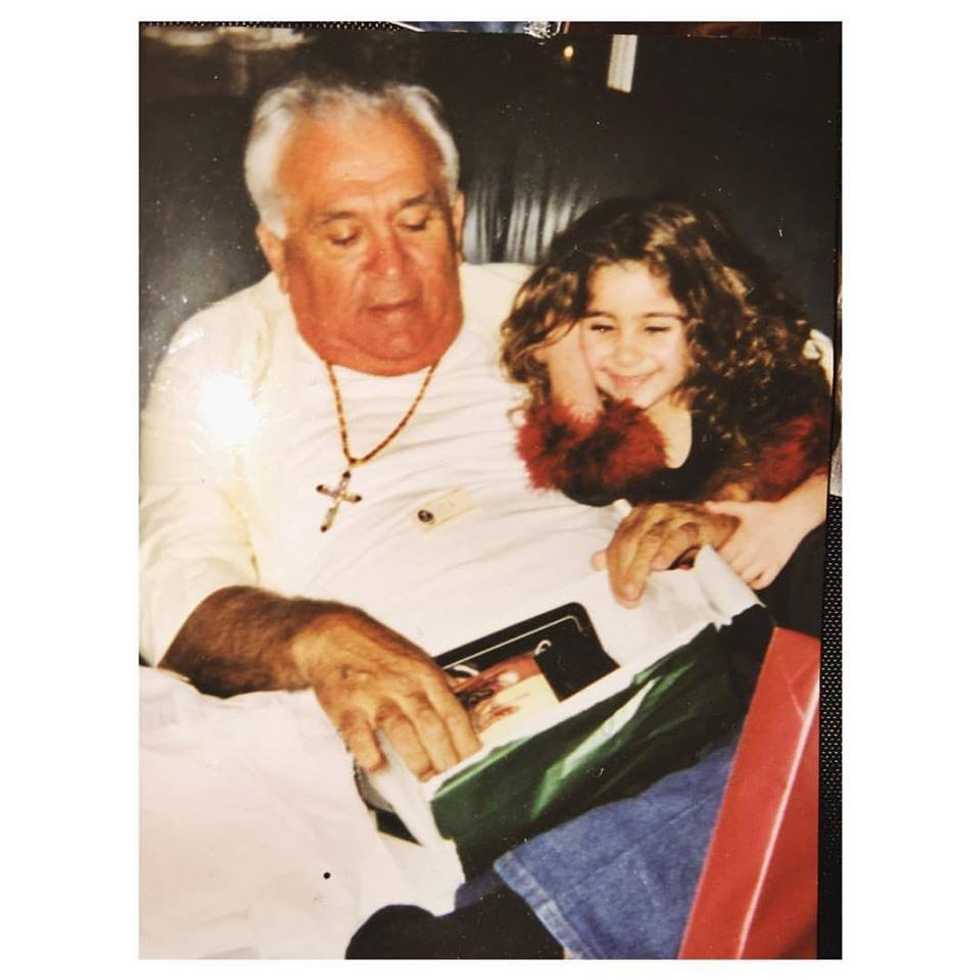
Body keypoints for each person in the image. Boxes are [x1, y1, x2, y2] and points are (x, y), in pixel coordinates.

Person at [140, 73, 815, 958]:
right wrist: (314, 638)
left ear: (457, 213)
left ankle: (501, 938)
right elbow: (169, 579)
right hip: (448, 749)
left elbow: (786, 373)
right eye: (344, 234)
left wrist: (744, 514)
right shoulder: (225, 353)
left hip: (668, 661)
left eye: (416, 221)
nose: (391, 266)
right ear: (277, 246)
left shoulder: (552, 305)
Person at [500, 197, 834, 634]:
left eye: (655, 328)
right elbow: (587, 480)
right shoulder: (616, 433)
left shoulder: (762, 390)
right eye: (601, 327)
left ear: (706, 323)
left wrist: (794, 515)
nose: (625, 354)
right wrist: (562, 352)